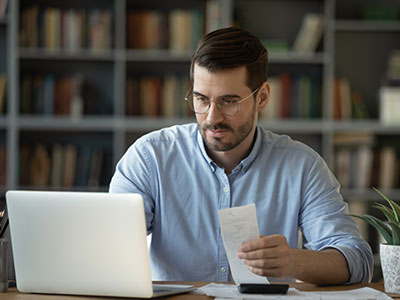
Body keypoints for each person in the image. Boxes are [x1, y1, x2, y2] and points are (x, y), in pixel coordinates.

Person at [109, 27, 373, 284]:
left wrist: (295, 261)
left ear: (263, 97)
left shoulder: (303, 166)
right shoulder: (149, 157)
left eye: (228, 101)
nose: (212, 117)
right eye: (202, 99)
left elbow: (358, 260)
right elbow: (108, 243)